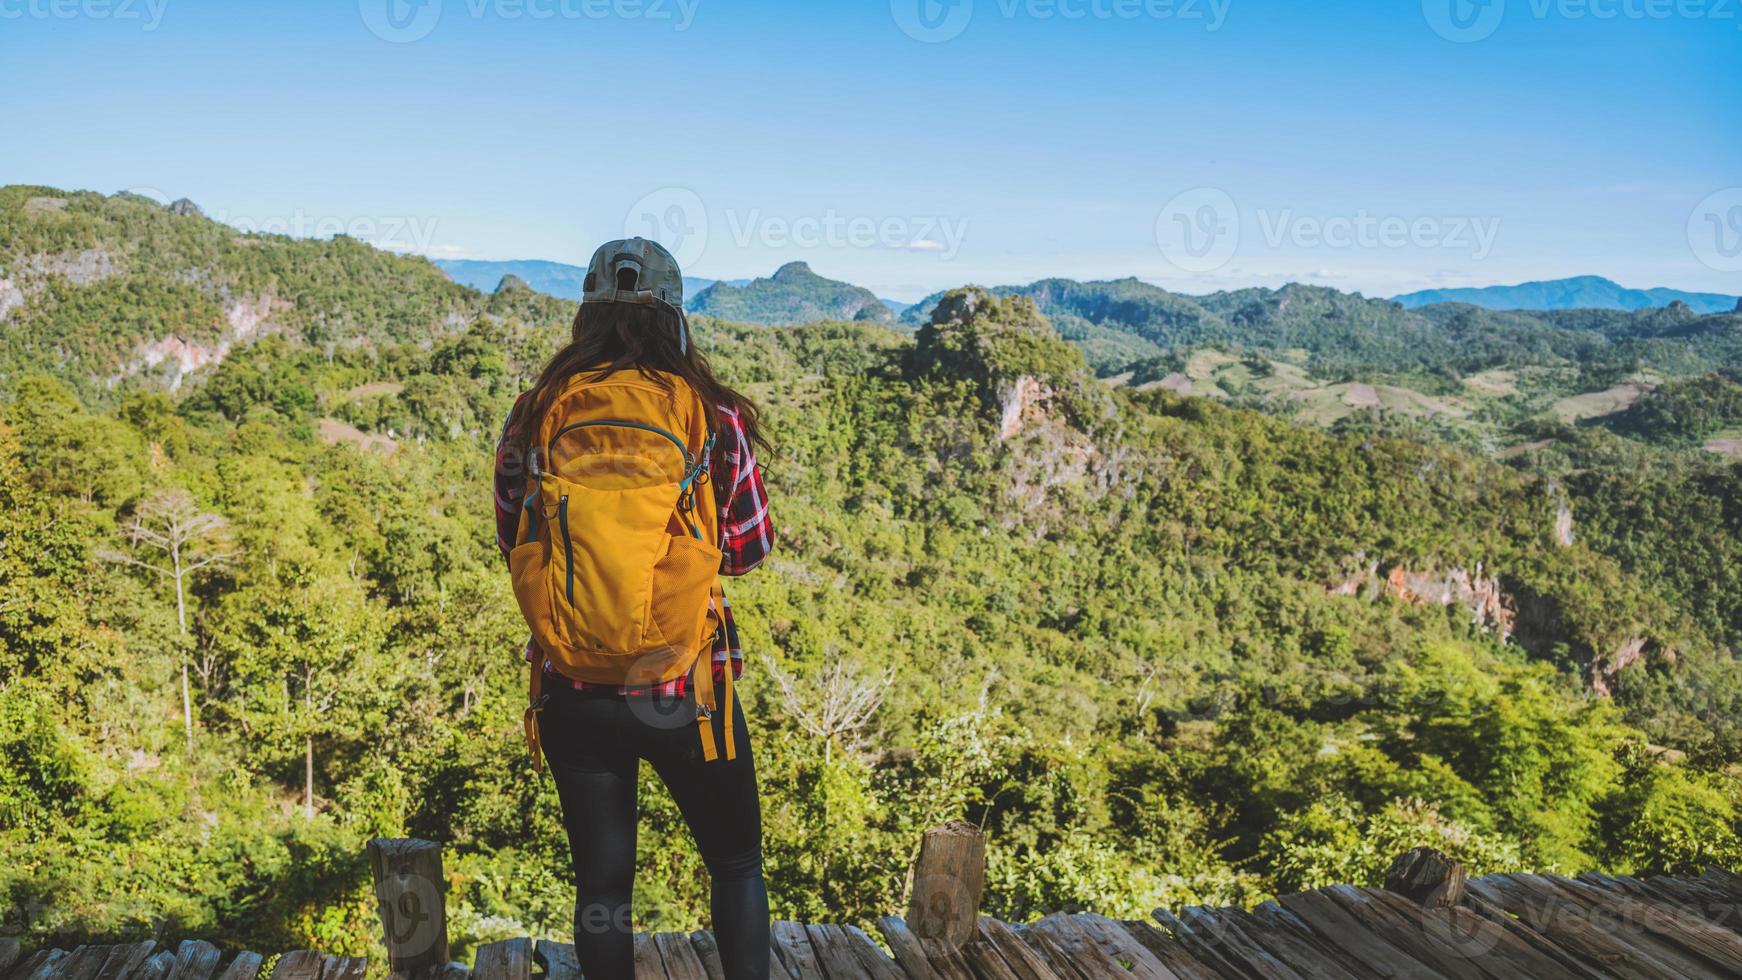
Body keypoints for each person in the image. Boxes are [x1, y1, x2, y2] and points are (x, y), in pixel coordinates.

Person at [493, 238, 774, 980]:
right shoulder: (711, 418)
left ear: (587, 315)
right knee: (737, 864)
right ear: (676, 319)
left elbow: (514, 541)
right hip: (686, 690)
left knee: (604, 890)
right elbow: (746, 549)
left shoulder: (535, 414)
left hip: (572, 688)